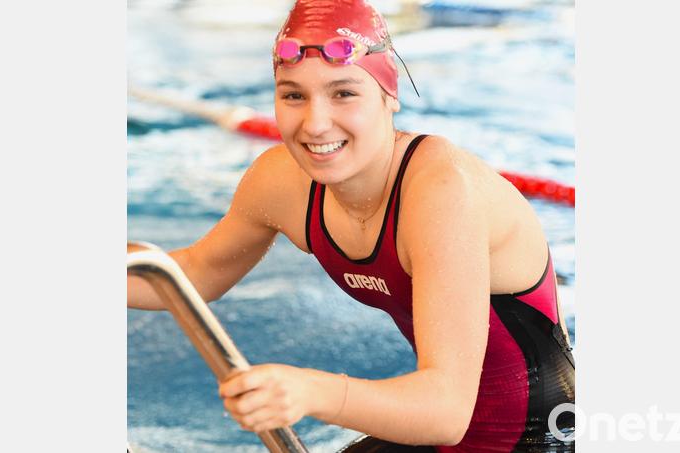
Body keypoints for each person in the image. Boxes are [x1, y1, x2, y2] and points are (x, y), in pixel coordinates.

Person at [128, 0, 575, 451]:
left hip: (540, 436)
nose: (316, 124)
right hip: (422, 432)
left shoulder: (442, 190)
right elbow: (196, 272)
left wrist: (310, 391)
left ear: (389, 95)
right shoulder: (283, 182)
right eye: (293, 95)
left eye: (344, 93)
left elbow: (446, 412)